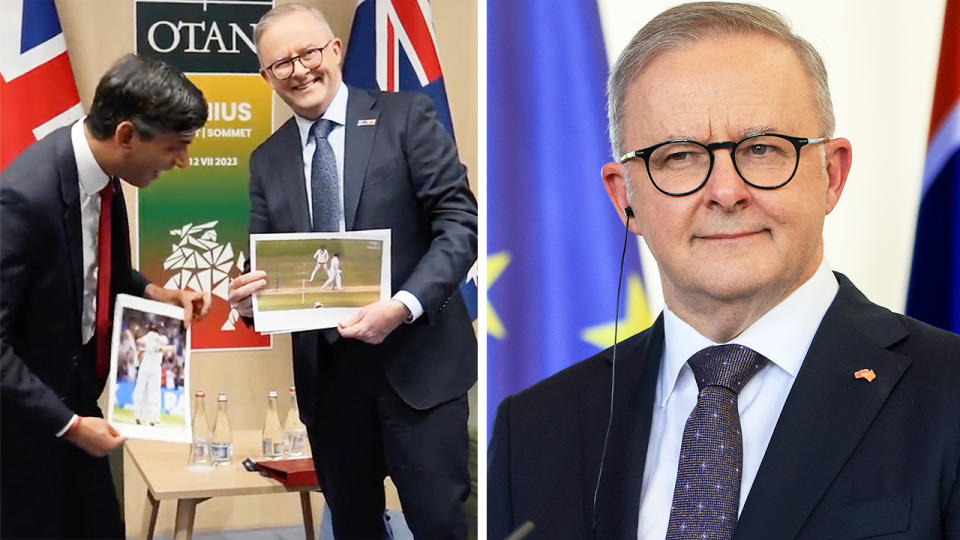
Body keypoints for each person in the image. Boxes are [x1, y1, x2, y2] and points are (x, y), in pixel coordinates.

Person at [487, 3, 960, 539]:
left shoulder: (949, 396)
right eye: (680, 156)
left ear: (831, 175)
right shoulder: (532, 431)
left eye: (761, 149)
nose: (726, 191)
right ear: (626, 200)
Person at [227, 4, 477, 539]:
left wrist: (402, 306)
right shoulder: (266, 161)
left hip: (420, 370)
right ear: (266, 77)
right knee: (353, 529)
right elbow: (263, 265)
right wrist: (249, 299)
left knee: (440, 526)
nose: (298, 70)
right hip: (332, 386)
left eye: (308, 53)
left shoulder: (405, 116)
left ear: (335, 51)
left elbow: (459, 224)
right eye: (280, 64)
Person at [0, 54, 212, 538]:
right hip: (25, 431)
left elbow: (95, 272)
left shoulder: (104, 178)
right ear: (126, 136)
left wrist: (155, 292)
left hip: (80, 407)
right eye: (175, 147)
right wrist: (69, 425)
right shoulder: (22, 199)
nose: (182, 161)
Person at [132, 322, 174, 426]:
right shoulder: (162, 338)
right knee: (154, 393)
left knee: (141, 390)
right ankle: (153, 418)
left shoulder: (149, 337)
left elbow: (139, 341)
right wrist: (163, 348)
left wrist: (145, 347)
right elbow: (167, 349)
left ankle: (138, 415)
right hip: (154, 368)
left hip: (145, 367)